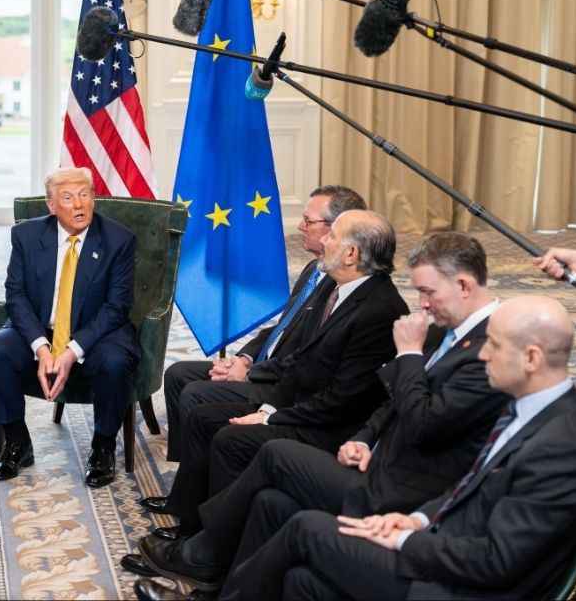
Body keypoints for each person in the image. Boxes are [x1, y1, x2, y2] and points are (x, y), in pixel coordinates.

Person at [127, 231, 509, 592]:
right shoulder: (446, 328)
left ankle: (201, 553)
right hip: (372, 458)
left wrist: (408, 354)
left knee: (273, 453)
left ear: (462, 285)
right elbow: (390, 403)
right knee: (269, 502)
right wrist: (365, 439)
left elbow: (425, 423)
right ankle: (216, 581)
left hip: (405, 490)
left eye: (428, 292)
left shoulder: (493, 347)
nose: (421, 304)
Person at [204, 295, 576, 601]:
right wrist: (417, 521)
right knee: (297, 566)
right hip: (446, 546)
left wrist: (408, 540)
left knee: (306, 528)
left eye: (494, 344)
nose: (482, 353)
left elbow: (497, 563)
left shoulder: (562, 448)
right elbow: (468, 487)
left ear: (532, 358)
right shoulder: (528, 406)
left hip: (465, 589)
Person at [158, 210, 408, 535]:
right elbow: (300, 360)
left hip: (332, 426)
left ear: (351, 254)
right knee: (207, 418)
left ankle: (213, 545)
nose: (325, 240)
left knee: (231, 439)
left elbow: (343, 400)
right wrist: (267, 409)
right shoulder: (335, 288)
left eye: (333, 236)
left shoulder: (380, 310)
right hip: (302, 405)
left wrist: (271, 420)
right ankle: (192, 525)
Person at [152, 185, 365, 476]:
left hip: (280, 383)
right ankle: (187, 467)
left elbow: (305, 356)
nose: (300, 226)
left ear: (334, 229)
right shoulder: (314, 270)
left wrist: (250, 373)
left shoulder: (336, 286)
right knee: (177, 375)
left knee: (197, 395)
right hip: (263, 367)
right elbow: (282, 328)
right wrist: (243, 358)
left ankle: (197, 479)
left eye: (308, 221)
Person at [0, 167, 139, 488]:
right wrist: (41, 347)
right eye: (67, 197)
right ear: (52, 206)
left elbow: (115, 307)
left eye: (85, 194)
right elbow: (17, 295)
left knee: (115, 362)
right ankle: (17, 441)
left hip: (96, 334)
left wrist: (69, 353)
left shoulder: (118, 241)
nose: (78, 204)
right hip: (43, 329)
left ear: (94, 198)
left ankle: (103, 448)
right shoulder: (26, 235)